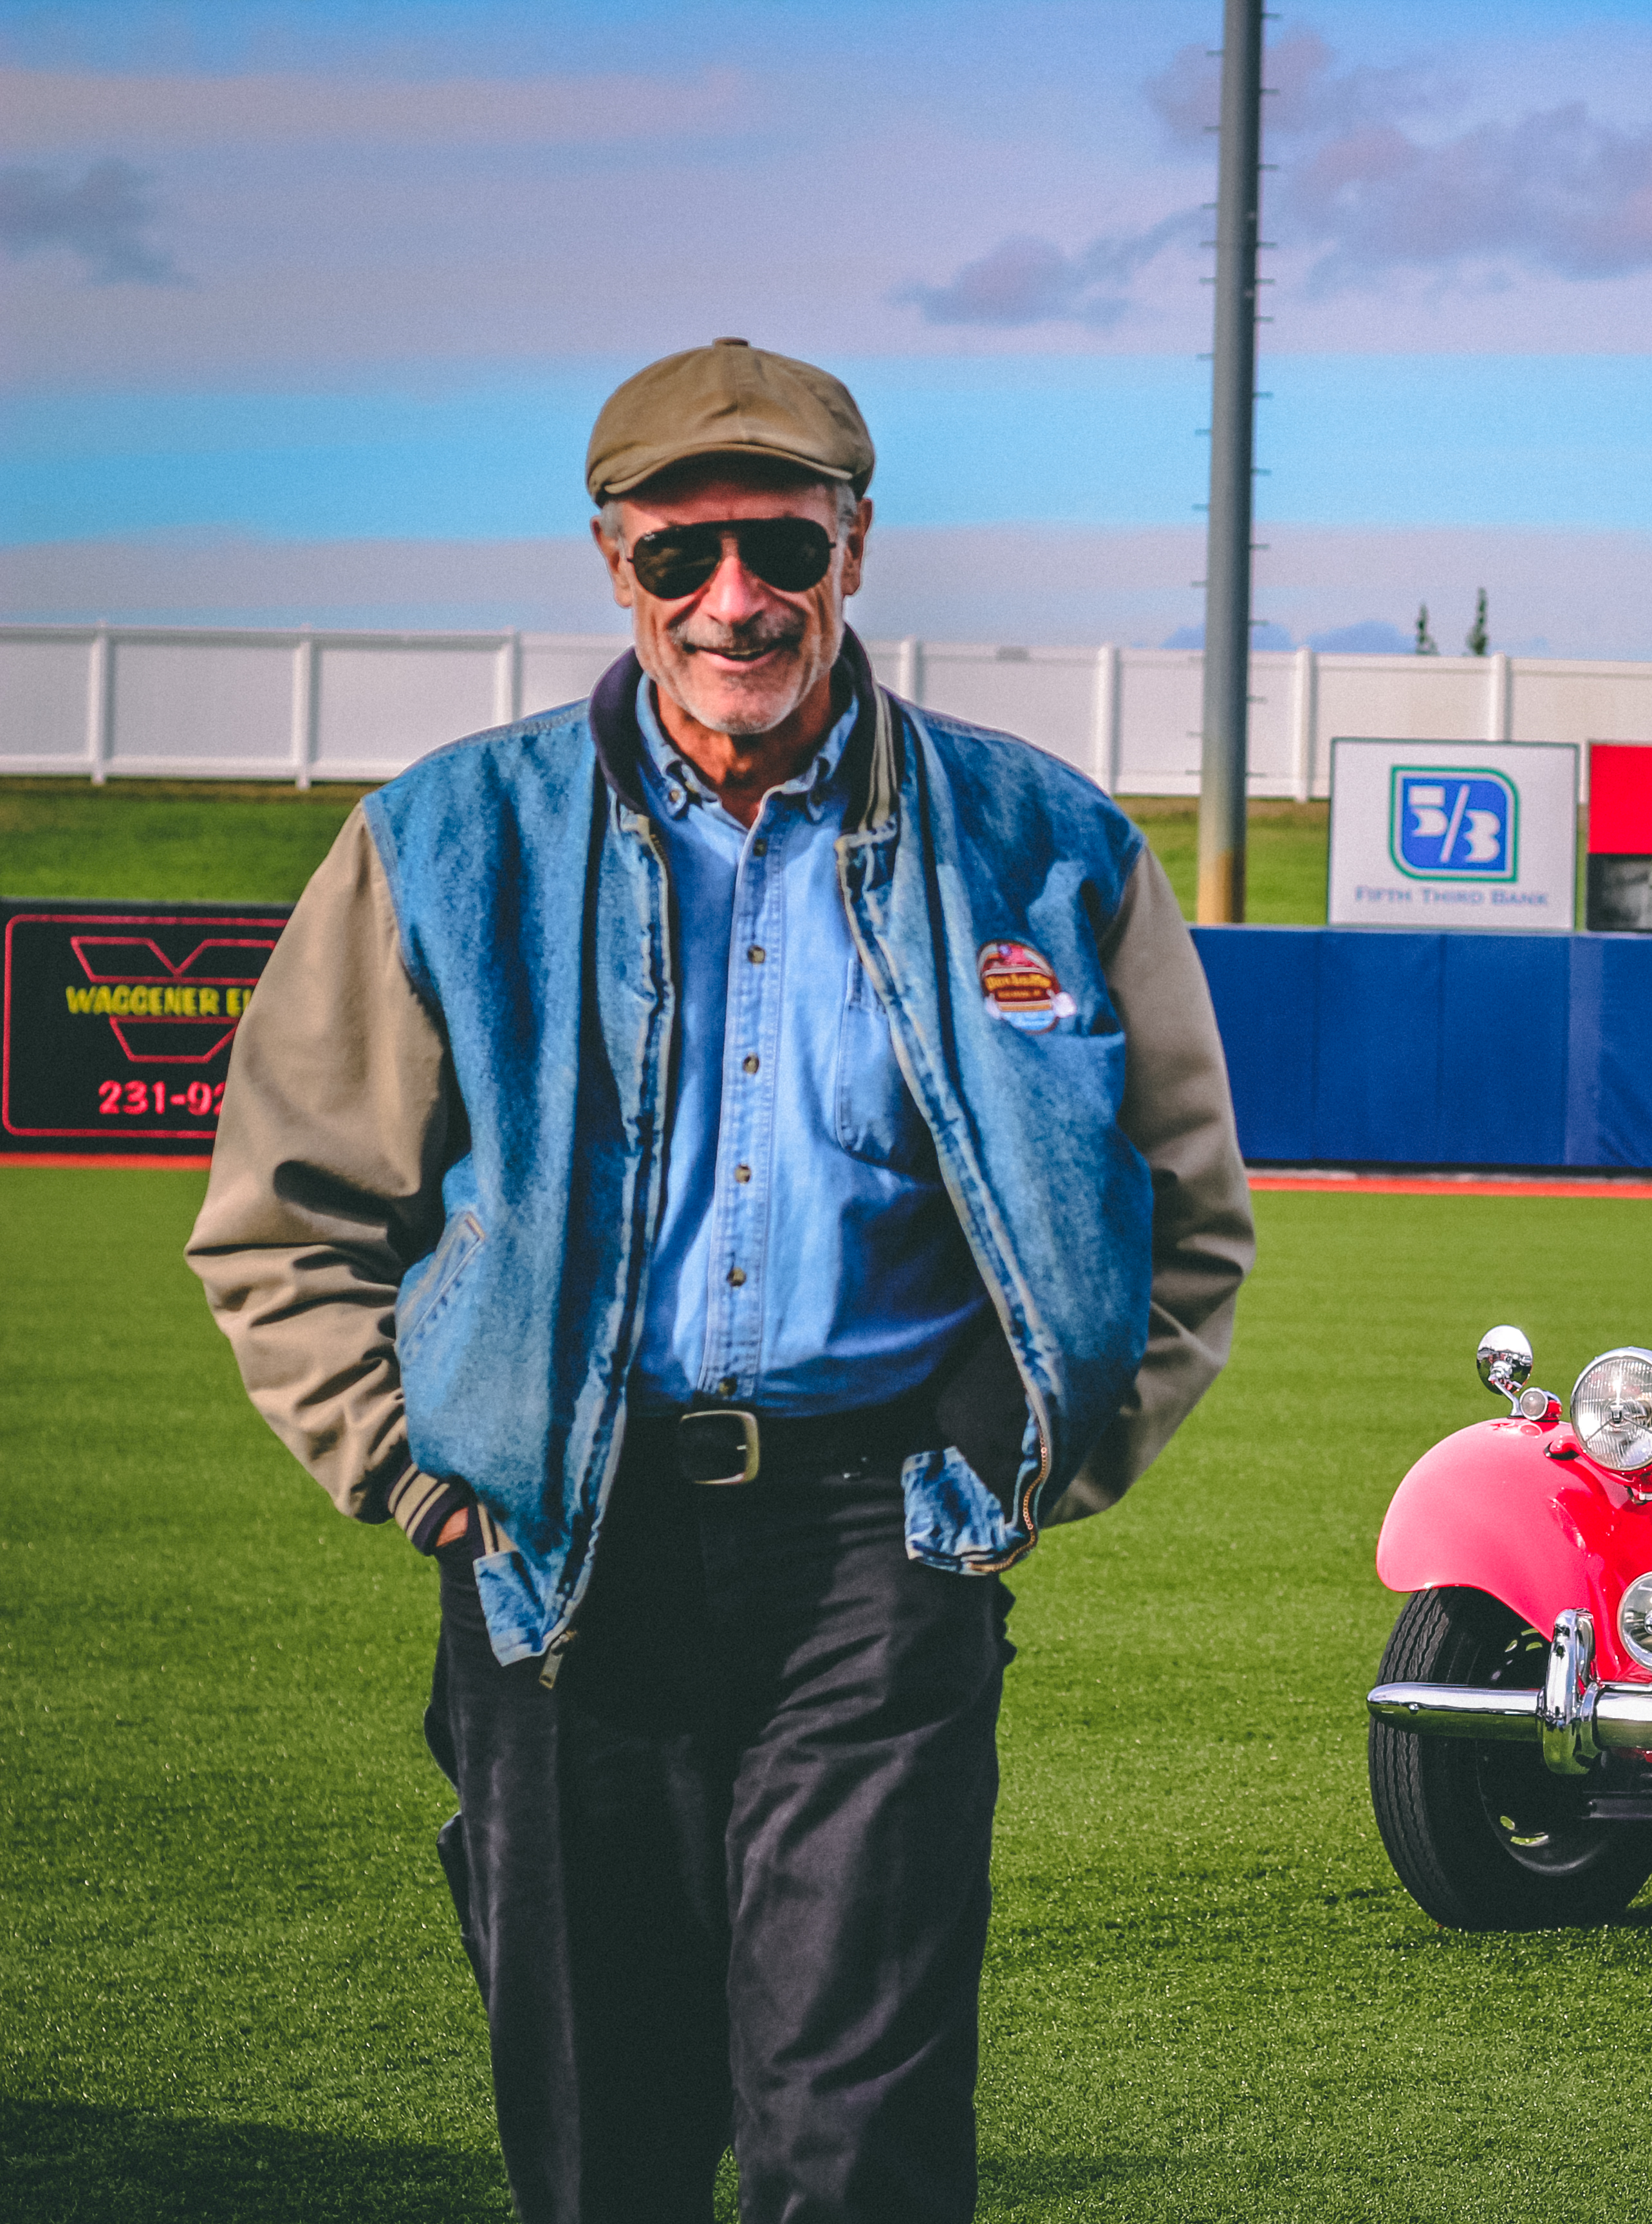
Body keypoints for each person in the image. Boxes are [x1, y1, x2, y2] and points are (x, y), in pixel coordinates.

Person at [186, 337, 1254, 2223]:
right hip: (556, 1555)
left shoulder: (1041, 841)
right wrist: (417, 1477)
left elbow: (1183, 1213)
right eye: (681, 558)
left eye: (778, 544)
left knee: (862, 2136)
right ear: (614, 564)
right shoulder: (447, 839)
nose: (733, 600)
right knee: (601, 2130)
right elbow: (287, 1215)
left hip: (878, 1546)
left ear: (855, 546)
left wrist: (1033, 1471)